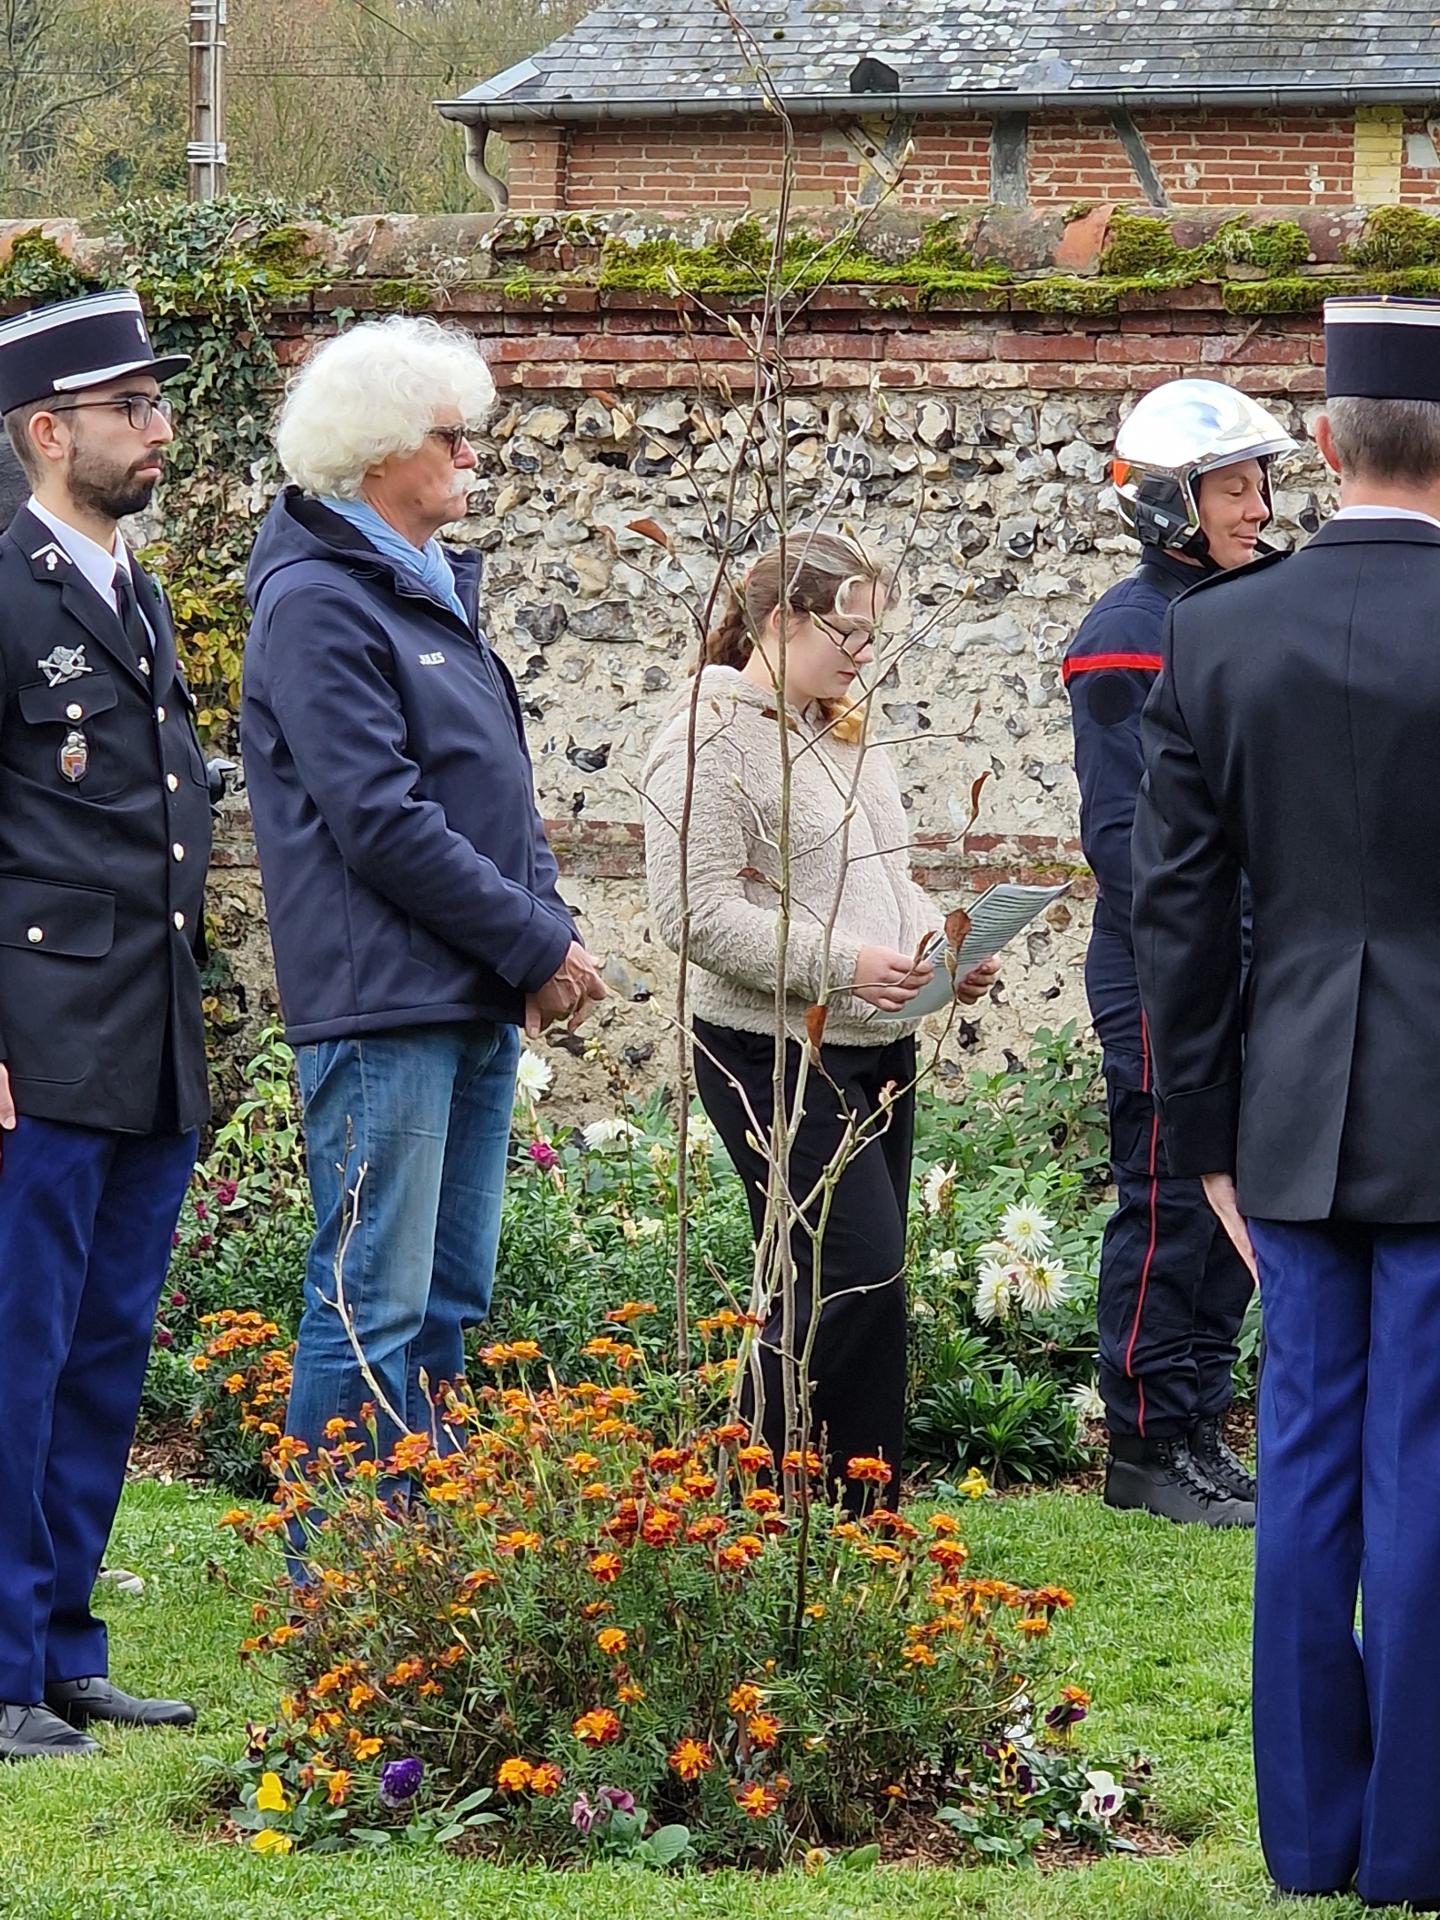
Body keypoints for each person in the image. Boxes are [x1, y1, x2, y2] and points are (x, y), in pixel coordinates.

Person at [1132, 295, 1440, 1907]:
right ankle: (1420, 1840)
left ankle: (1318, 1842)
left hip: (1298, 1107)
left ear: (1321, 447)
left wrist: (1211, 1132)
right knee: (1430, 1458)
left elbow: (1175, 918)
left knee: (1309, 1458)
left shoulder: (1215, 634)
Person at [242, 316, 604, 1487]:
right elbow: (383, 820)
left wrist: (543, 939)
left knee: (448, 1299)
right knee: (373, 1303)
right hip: (383, 1003)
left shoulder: (422, 592)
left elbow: (497, 791)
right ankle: (341, 1583)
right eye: (452, 435)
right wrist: (535, 942)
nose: (472, 455)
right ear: (381, 448)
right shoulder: (319, 602)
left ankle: (420, 1572)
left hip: (465, 994)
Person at [642, 532, 997, 1512]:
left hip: (878, 1047)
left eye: (871, 635)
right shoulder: (707, 736)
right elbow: (693, 911)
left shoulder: (839, 730)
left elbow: (890, 882)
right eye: (848, 631)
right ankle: (762, 1507)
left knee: (859, 1288)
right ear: (780, 620)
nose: (862, 653)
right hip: (771, 1052)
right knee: (852, 1270)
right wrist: (845, 967)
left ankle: (852, 1515)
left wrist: (942, 946)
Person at [0, 290, 209, 1760]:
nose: (159, 429)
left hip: (144, 1034)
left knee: (102, 1351)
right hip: (38, 1038)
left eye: (159, 405)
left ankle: (63, 1640)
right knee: (16, 1348)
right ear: (46, 429)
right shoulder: (4, 586)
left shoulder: (132, 587)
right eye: (131, 408)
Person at [1064, 378, 1294, 1527]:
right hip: (1167, 965)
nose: (1257, 508)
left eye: (1261, 484)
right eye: (1233, 489)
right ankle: (1147, 1446)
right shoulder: (1127, 635)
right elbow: (1130, 840)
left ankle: (1198, 1428)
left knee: (1228, 1203)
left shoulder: (1233, 615)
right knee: (1165, 1199)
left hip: (1245, 960)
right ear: (1169, 501)